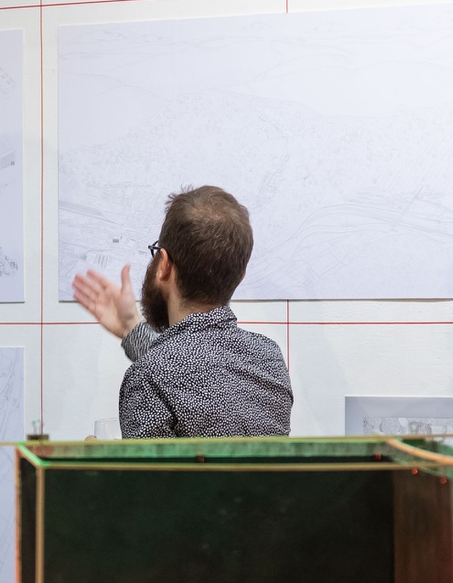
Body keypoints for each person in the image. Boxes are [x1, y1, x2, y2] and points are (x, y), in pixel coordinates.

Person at [72, 185, 293, 438]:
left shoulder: (148, 377)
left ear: (164, 265)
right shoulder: (269, 359)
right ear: (240, 276)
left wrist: (97, 458)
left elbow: (180, 373)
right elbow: (197, 376)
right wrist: (132, 329)